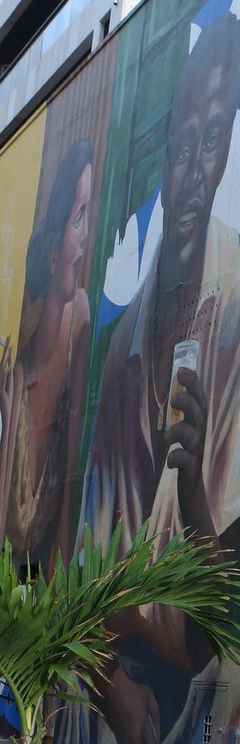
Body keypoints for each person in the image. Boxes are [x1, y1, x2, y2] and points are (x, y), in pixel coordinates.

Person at [79, 13, 240, 744]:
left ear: (226, 154)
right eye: (182, 146)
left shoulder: (236, 292)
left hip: (188, 684)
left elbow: (221, 610)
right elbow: (83, 576)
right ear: (164, 159)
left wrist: (189, 498)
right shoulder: (123, 347)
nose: (192, 169)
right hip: (112, 681)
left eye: (211, 141)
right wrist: (110, 679)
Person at [0, 140, 93, 573]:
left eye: (88, 216)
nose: (87, 232)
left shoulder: (80, 322)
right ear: (54, 253)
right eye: (79, 218)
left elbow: (73, 481)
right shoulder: (16, 380)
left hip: (45, 608)